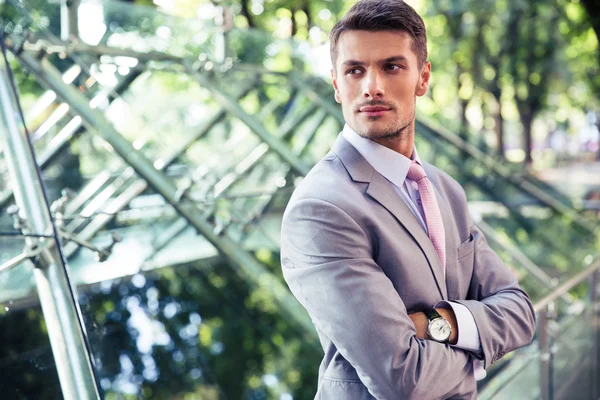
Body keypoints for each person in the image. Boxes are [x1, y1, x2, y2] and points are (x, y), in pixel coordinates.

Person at [279, 0, 537, 399]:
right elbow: (404, 379)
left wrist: (438, 323)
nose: (372, 86)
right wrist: (479, 351)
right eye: (354, 70)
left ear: (423, 77)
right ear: (336, 85)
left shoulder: (445, 189)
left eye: (391, 66)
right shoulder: (321, 210)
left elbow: (520, 313)